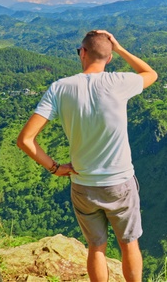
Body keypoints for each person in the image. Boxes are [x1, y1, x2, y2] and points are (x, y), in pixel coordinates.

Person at [17, 30, 157, 282]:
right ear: (110, 57)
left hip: (83, 184)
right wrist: (120, 48)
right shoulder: (119, 82)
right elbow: (150, 74)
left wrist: (55, 167)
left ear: (82, 52)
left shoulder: (59, 88)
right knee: (129, 245)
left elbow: (25, 140)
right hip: (120, 184)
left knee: (96, 247)